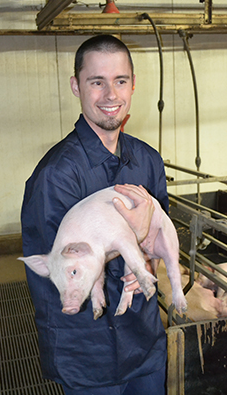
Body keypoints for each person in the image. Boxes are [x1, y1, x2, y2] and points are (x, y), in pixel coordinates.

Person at [21, 34, 169, 395]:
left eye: (120, 81)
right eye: (96, 82)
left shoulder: (148, 160)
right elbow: (59, 271)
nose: (110, 95)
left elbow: (160, 239)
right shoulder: (56, 176)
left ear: (133, 85)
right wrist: (135, 241)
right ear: (76, 86)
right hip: (88, 350)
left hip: (145, 340)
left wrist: (151, 258)